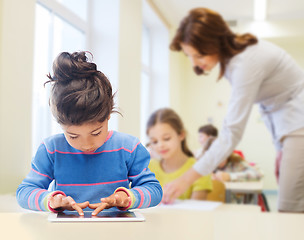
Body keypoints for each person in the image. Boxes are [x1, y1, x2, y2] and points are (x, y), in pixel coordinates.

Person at [162, 7, 304, 212]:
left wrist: (186, 179)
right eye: (189, 56)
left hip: (298, 125)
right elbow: (271, 106)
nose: (195, 63)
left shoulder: (246, 62)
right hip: (291, 127)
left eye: (199, 54)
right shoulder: (234, 62)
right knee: (291, 205)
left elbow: (231, 133)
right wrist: (281, 148)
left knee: (289, 209)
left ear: (215, 42)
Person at [16, 51, 162, 216]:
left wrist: (127, 197)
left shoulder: (129, 148)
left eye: (96, 132)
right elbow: (24, 192)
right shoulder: (51, 150)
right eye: (73, 136)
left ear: (108, 115)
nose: (86, 144)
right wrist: (52, 200)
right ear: (60, 125)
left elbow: (154, 190)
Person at [147, 108, 212, 201]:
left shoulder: (199, 170)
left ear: (181, 135)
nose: (160, 145)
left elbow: (197, 212)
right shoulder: (148, 168)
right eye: (154, 141)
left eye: (166, 138)